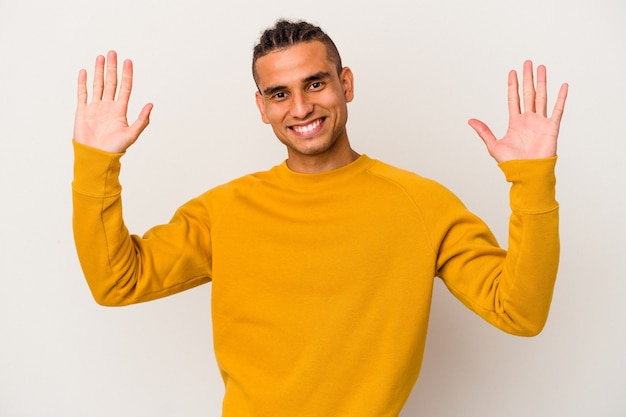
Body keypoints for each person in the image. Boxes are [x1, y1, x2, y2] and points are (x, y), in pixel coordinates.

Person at [72, 19, 568, 417]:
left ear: (345, 84)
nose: (302, 107)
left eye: (315, 83)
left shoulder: (422, 205)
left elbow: (520, 312)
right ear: (261, 107)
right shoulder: (225, 211)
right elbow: (117, 282)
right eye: (279, 93)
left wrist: (531, 181)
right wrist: (96, 164)